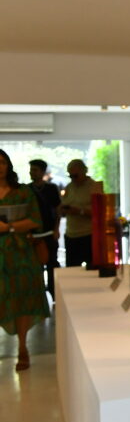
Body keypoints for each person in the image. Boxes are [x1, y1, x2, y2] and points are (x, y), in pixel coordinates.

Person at [0, 149, 49, 371]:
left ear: (8, 165)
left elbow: (36, 220)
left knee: (22, 299)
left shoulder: (23, 191)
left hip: (20, 253)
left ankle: (22, 347)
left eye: (2, 162)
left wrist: (9, 227)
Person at [27, 159, 61, 297]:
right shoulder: (27, 189)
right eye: (31, 170)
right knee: (36, 267)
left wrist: (56, 229)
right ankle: (38, 295)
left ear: (42, 172)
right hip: (33, 234)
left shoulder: (51, 188)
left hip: (49, 232)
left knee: (52, 264)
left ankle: (55, 294)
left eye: (35, 170)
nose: (32, 173)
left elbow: (58, 210)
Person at [60, 159, 102, 268]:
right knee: (71, 269)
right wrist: (63, 210)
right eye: (70, 176)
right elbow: (63, 204)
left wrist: (80, 211)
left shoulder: (94, 187)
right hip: (71, 235)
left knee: (92, 270)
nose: (73, 179)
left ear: (84, 171)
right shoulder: (69, 187)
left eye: (75, 175)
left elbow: (100, 213)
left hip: (88, 235)